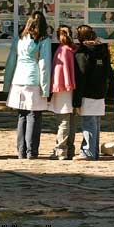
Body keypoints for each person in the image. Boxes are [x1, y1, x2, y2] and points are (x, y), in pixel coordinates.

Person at [5, 11, 52, 159]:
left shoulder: (19, 38)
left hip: (18, 79)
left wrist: (7, 84)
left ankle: (21, 151)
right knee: (34, 116)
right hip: (33, 80)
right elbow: (44, 65)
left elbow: (11, 61)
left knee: (22, 116)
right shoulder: (43, 40)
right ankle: (32, 151)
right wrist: (45, 88)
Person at [72, 25, 112, 161]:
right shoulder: (103, 50)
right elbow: (108, 72)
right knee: (95, 122)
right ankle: (93, 151)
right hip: (100, 91)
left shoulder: (82, 53)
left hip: (87, 93)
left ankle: (88, 151)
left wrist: (76, 99)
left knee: (88, 122)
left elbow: (81, 76)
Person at [49, 25, 77, 160]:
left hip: (63, 88)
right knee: (71, 120)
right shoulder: (73, 49)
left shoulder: (62, 50)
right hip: (71, 88)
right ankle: (70, 149)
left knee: (63, 121)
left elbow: (61, 71)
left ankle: (61, 150)